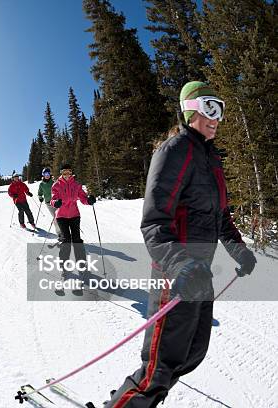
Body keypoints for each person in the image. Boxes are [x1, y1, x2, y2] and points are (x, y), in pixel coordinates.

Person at [105, 81, 257, 407]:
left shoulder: (212, 159)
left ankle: (137, 400)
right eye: (209, 108)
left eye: (221, 109)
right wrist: (180, 265)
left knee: (192, 353)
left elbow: (221, 217)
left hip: (200, 274)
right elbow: (154, 223)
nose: (216, 117)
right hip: (175, 274)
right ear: (191, 109)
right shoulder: (175, 150)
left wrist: (239, 249)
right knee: (159, 366)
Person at [50, 163, 96, 293]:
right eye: (64, 172)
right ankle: (64, 268)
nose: (67, 174)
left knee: (77, 241)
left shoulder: (76, 185)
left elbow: (82, 198)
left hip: (75, 215)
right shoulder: (56, 185)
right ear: (61, 173)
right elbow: (53, 199)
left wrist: (89, 200)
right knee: (66, 241)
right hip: (62, 216)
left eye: (69, 172)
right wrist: (56, 203)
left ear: (71, 173)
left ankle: (82, 268)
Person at [37, 167, 62, 239]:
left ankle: (65, 231)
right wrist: (40, 197)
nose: (47, 175)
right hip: (49, 203)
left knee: (61, 216)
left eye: (48, 173)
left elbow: (59, 190)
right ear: (43, 175)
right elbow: (40, 192)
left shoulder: (53, 182)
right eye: (45, 174)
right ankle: (59, 233)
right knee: (56, 217)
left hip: (56, 202)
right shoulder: (41, 184)